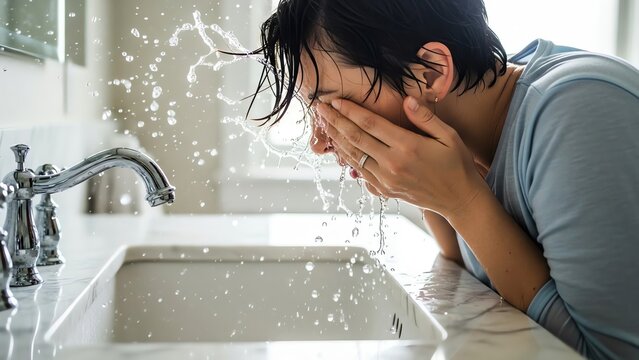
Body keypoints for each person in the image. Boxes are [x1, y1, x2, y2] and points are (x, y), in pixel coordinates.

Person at [246, 1, 639, 359]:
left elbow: (604, 353)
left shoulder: (577, 112)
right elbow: (469, 273)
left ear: (432, 72)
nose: (320, 141)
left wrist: (463, 203)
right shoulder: (472, 135)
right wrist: (424, 187)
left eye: (332, 105)